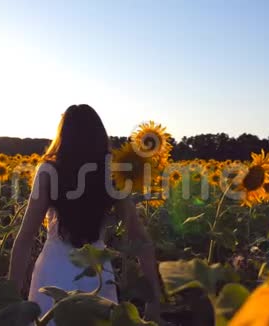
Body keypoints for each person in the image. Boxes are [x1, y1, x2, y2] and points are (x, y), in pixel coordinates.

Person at [8, 104, 163, 324]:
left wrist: (10, 295)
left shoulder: (49, 171)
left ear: (63, 134)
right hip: (97, 277)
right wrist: (153, 299)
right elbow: (139, 238)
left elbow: (25, 237)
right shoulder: (114, 173)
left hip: (54, 274)